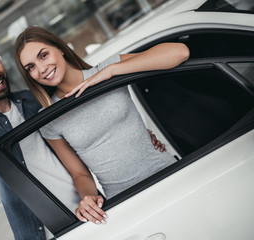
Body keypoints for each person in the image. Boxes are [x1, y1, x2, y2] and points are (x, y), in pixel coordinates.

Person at [0, 33, 165, 239]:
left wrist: (134, 134)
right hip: (45, 233)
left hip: (90, 213)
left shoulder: (35, 101)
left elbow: (82, 139)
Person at [13, 26, 190, 225]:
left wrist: (110, 72)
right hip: (125, 203)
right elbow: (79, 174)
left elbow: (180, 53)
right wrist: (88, 199)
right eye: (31, 67)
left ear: (60, 48)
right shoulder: (49, 118)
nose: (41, 69)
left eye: (43, 55)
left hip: (171, 175)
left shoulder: (107, 70)